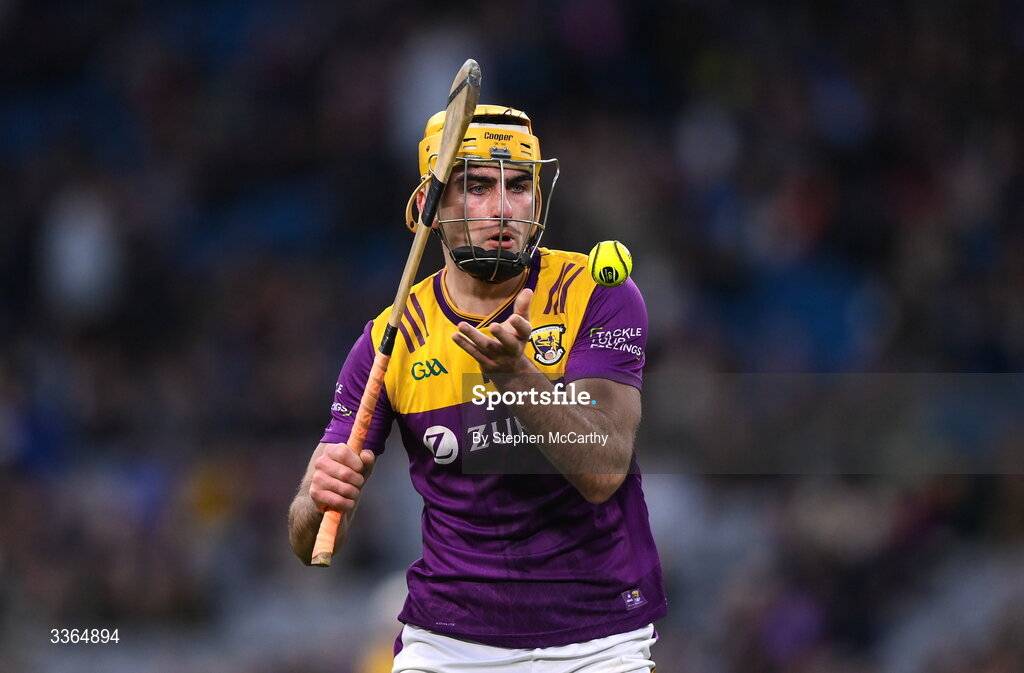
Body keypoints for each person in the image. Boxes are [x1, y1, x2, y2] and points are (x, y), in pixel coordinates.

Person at [288, 105, 666, 672]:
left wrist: (518, 377)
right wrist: (318, 499)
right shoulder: (390, 339)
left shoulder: (596, 291)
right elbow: (309, 541)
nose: (503, 209)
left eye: (519, 186)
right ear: (428, 208)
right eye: (477, 187)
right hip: (448, 642)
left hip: (598, 638)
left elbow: (604, 470)